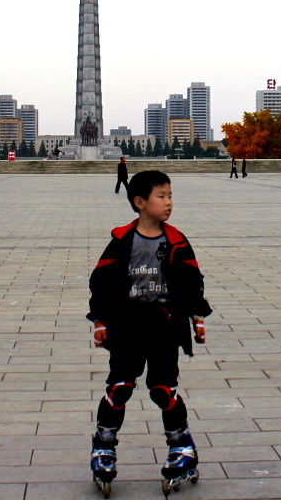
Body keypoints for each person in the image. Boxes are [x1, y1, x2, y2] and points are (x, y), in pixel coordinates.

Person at [88, 170, 212, 494]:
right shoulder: (121, 240)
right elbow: (100, 281)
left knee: (163, 389)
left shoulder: (177, 241)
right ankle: (103, 446)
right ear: (140, 203)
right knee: (119, 387)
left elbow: (191, 282)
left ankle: (181, 447)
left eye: (170, 196)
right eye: (162, 196)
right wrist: (100, 320)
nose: (169, 203)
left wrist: (197, 317)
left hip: (163, 325)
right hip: (127, 324)